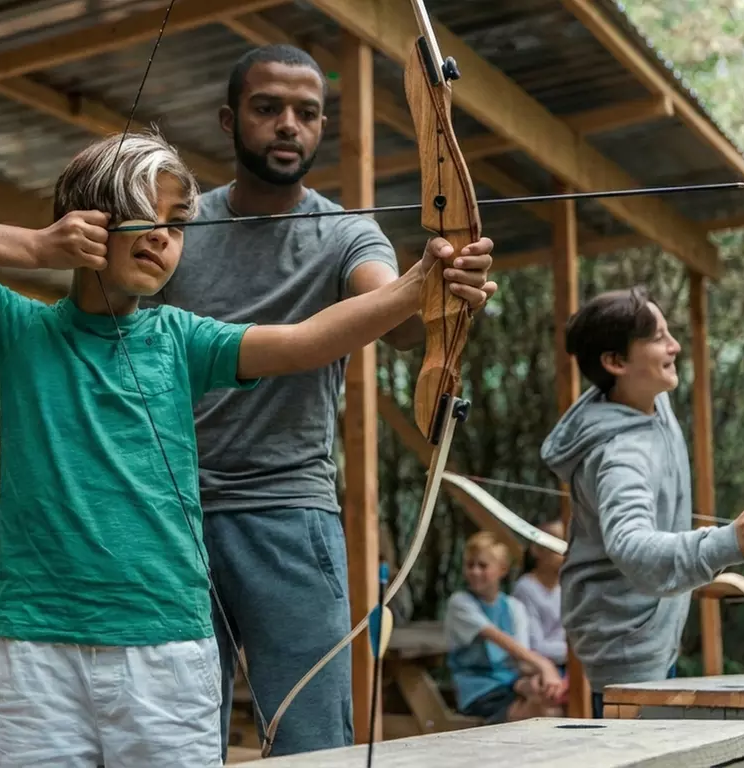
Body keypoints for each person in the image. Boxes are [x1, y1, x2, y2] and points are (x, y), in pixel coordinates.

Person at [0, 129, 487, 767]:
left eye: (179, 224)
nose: (164, 236)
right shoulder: (19, 328)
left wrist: (418, 285)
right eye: (144, 212)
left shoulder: (181, 338)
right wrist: (33, 246)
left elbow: (306, 341)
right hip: (40, 646)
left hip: (165, 649)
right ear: (86, 221)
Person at [141, 44, 498, 756]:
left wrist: (438, 292)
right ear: (228, 119)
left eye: (306, 113)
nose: (288, 125)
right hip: (171, 515)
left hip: (288, 514)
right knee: (175, 743)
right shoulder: (178, 229)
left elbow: (395, 320)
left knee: (314, 743)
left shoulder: (347, 233)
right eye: (267, 108)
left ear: (322, 128)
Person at [538, 286, 744, 717]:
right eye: (657, 338)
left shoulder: (648, 399)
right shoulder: (621, 456)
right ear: (616, 363)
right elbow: (631, 546)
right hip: (627, 644)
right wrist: (728, 542)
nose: (675, 346)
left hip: (650, 626)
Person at [444, 532, 567, 724]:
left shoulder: (514, 607)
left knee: (552, 703)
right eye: (470, 565)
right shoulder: (460, 603)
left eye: (482, 566)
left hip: (510, 685)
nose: (475, 572)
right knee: (545, 713)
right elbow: (498, 638)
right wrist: (544, 665)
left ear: (502, 569)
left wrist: (536, 680)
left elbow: (522, 660)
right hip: (479, 690)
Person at [511, 518, 568, 677]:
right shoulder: (525, 588)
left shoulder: (566, 586)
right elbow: (534, 646)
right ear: (537, 550)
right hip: (539, 669)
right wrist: (575, 651)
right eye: (556, 542)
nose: (565, 549)